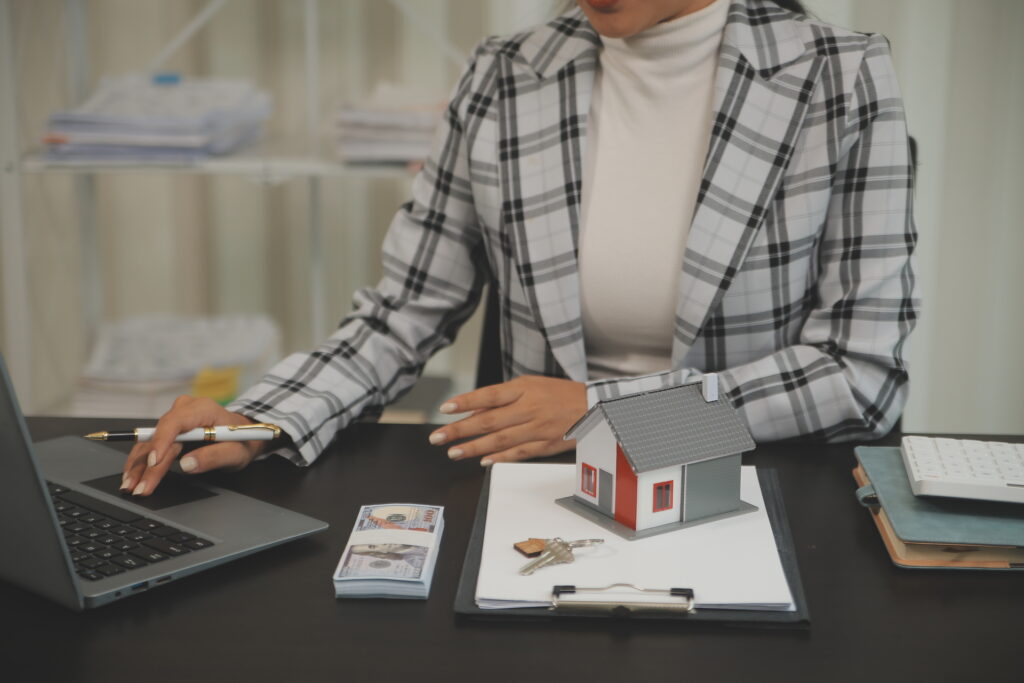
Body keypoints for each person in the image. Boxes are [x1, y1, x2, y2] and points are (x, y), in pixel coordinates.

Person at [121, 0, 918, 496]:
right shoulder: (505, 75)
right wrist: (260, 420)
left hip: (750, 487)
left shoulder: (837, 77)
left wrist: (607, 416)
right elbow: (405, 311)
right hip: (543, 494)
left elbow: (863, 377)